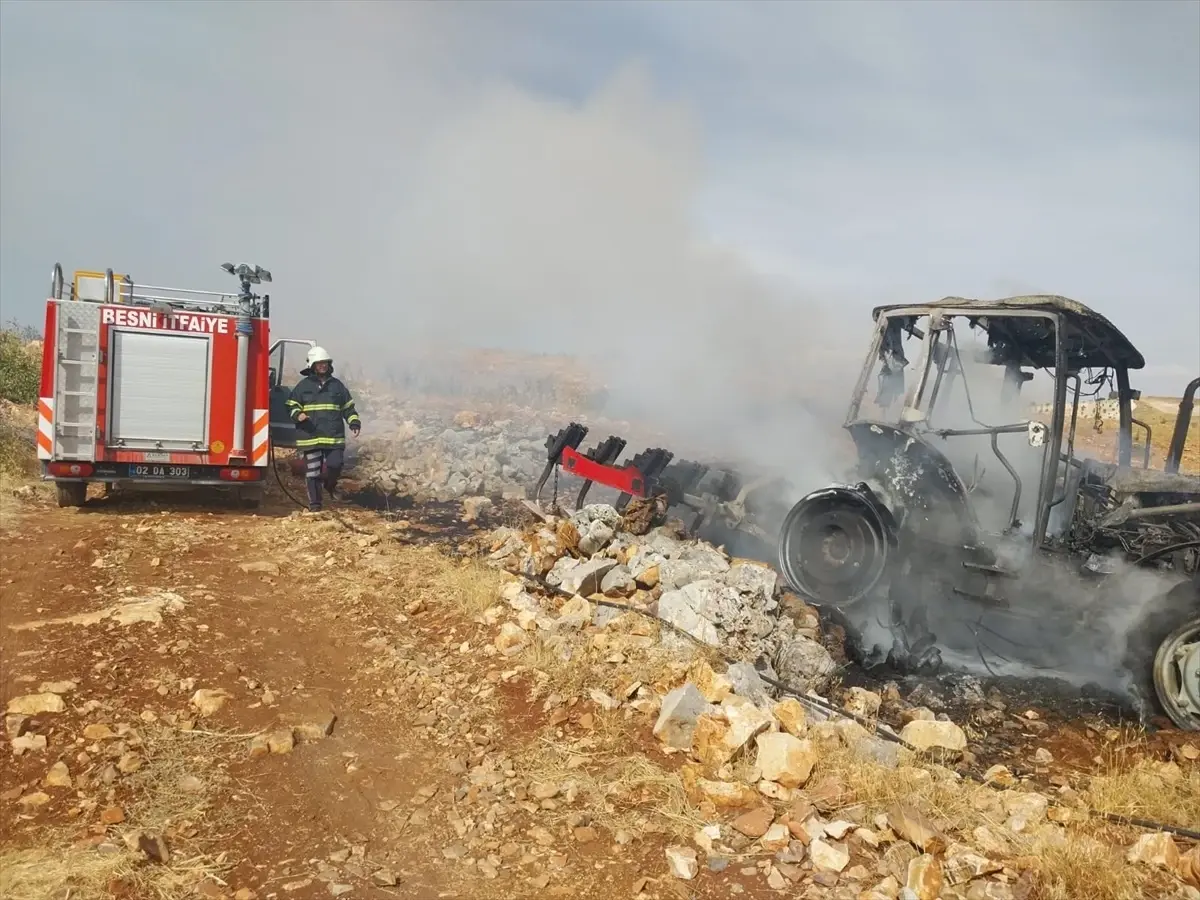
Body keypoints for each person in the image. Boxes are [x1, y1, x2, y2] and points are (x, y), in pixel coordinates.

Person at [286, 346, 362, 512]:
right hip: (310, 437)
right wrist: (298, 414)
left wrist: (354, 423)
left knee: (335, 465)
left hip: (333, 436)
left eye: (325, 363)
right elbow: (291, 405)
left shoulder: (337, 386)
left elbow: (348, 407)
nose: (323, 365)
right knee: (312, 472)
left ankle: (329, 485)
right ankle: (315, 506)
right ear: (312, 365)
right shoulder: (303, 386)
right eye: (319, 363)